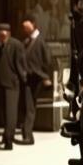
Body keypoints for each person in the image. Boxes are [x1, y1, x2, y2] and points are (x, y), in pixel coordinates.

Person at [0, 23, 27, 150]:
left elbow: (21, 64)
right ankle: (6, 134)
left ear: (9, 34)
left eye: (4, 34)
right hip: (0, 83)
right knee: (3, 113)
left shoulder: (16, 45)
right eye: (0, 35)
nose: (2, 37)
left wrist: (23, 79)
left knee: (11, 113)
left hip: (12, 83)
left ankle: (9, 139)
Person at [20, 17, 53, 145]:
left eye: (26, 26)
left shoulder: (41, 41)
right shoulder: (26, 41)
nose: (24, 29)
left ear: (33, 24)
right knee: (28, 105)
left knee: (30, 106)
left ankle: (28, 136)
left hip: (36, 78)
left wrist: (45, 77)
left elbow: (47, 61)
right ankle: (26, 134)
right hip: (27, 78)